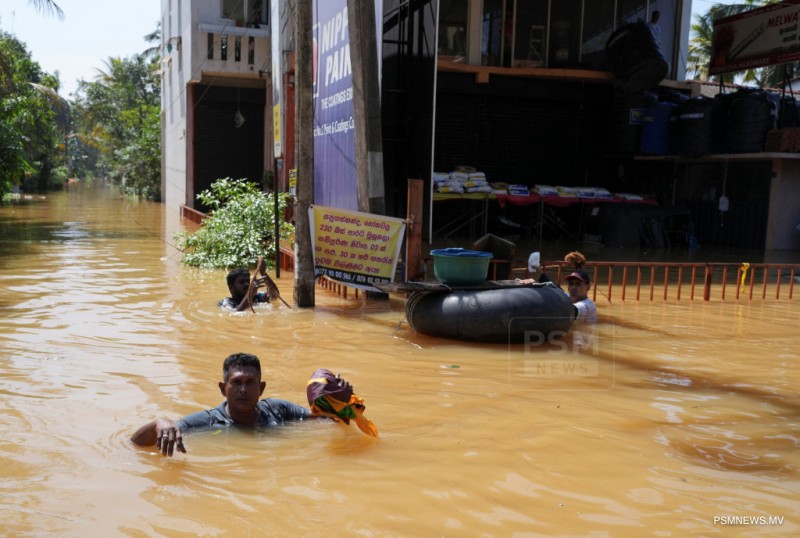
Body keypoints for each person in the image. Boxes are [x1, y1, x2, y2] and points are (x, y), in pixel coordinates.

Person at [130, 353, 313, 456]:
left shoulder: (278, 410)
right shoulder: (207, 422)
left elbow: (324, 419)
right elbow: (134, 444)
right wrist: (158, 423)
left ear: (261, 388)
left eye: (250, 382)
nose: (243, 389)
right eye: (236, 382)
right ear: (223, 388)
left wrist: (336, 398)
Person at [518, 252, 597, 323]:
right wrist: (536, 280)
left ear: (588, 287)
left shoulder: (588, 306)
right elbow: (556, 289)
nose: (573, 287)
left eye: (578, 284)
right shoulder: (570, 297)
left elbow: (570, 309)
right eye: (571, 283)